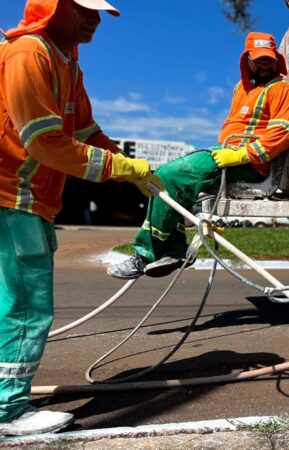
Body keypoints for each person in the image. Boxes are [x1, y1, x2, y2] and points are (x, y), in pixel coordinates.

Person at [0, 0, 159, 436]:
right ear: (52, 7)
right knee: (27, 308)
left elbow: (86, 132)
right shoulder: (29, 54)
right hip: (12, 196)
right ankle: (7, 413)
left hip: (25, 200)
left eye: (98, 13)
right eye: (83, 9)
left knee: (11, 305)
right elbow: (45, 143)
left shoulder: (66, 62)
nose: (94, 20)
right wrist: (121, 170)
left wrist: (134, 167)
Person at [108, 32, 289, 279]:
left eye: (269, 59)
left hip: (249, 164)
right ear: (247, 61)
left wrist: (242, 155)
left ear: (277, 60)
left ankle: (146, 255)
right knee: (167, 179)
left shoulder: (282, 90)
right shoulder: (241, 89)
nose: (265, 65)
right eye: (259, 59)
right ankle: (173, 249)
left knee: (168, 176)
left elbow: (284, 134)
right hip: (227, 154)